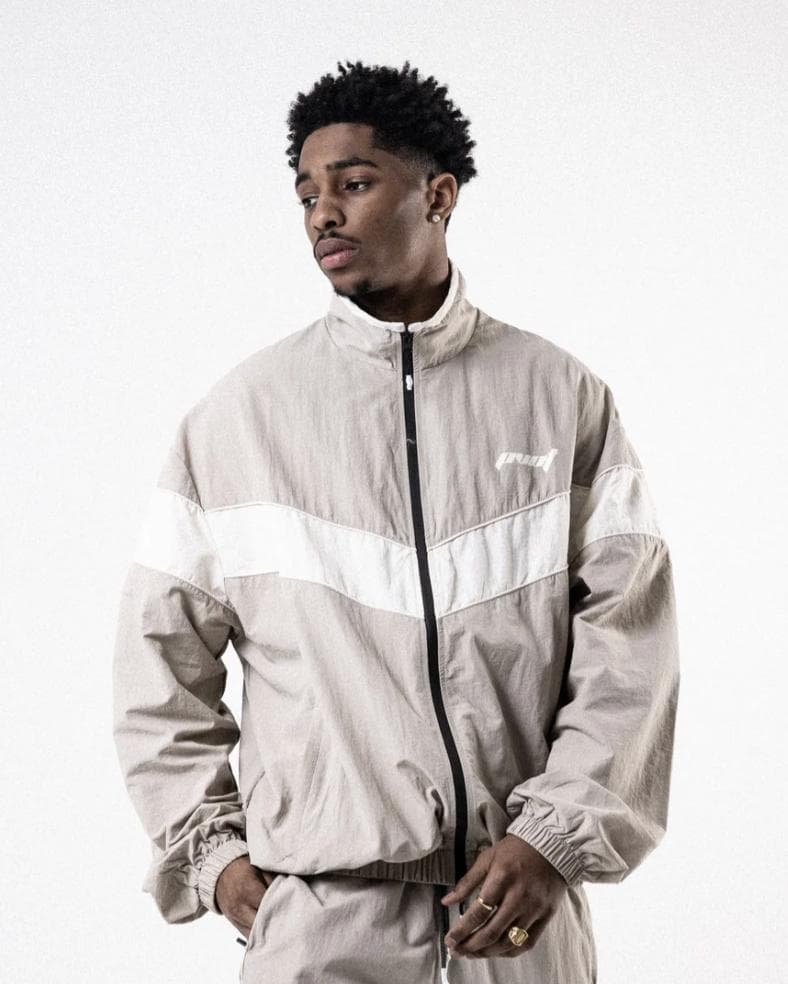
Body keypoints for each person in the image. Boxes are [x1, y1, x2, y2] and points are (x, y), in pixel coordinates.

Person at [112, 59, 680, 984]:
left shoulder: (559, 396)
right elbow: (157, 665)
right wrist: (212, 856)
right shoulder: (241, 416)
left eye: (354, 184)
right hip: (320, 919)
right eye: (307, 195)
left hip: (516, 917)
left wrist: (554, 839)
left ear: (438, 195)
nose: (322, 215)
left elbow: (630, 648)